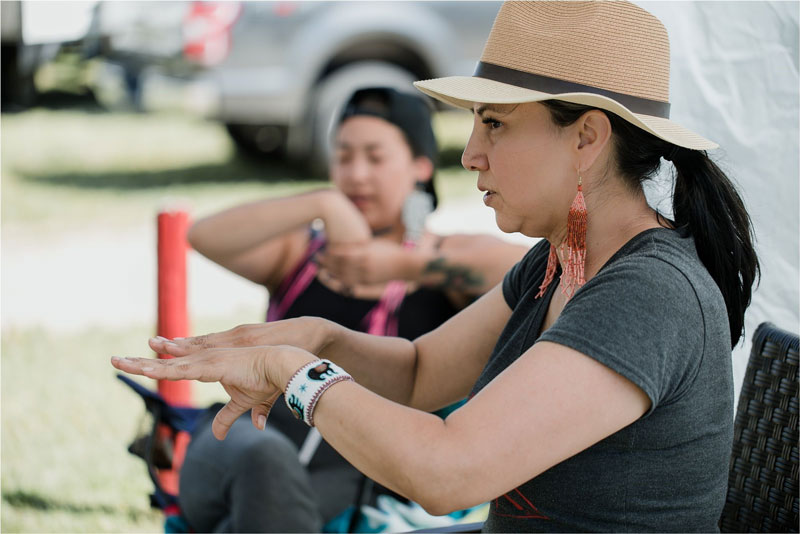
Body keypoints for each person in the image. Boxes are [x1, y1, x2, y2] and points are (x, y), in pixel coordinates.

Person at [114, 2, 760, 531]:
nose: (471, 154)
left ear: (587, 138)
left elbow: (447, 473)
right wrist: (320, 338)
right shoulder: (557, 262)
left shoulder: (648, 292)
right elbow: (421, 372)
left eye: (496, 125)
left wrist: (294, 372)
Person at [172, 87, 528, 532]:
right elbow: (204, 235)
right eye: (344, 156)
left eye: (375, 158)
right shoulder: (302, 255)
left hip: (351, 464)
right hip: (250, 437)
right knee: (265, 460)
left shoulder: (443, 260)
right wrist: (323, 204)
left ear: (420, 167)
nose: (357, 175)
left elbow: (521, 272)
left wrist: (402, 263)